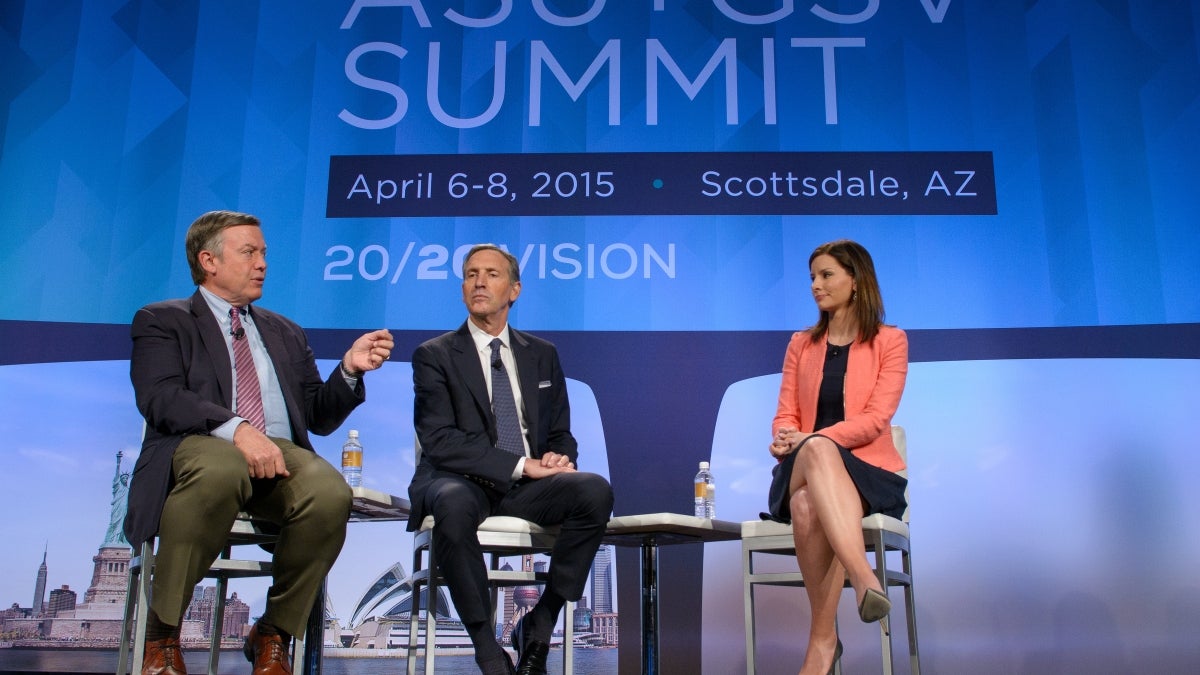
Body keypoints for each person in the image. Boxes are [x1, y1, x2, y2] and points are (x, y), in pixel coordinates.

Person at [126, 210, 394, 675]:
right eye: (248, 252)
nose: (262, 263)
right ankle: (162, 636)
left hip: (280, 456)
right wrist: (238, 429)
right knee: (221, 467)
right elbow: (161, 398)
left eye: (264, 253)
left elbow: (317, 416)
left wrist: (349, 371)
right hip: (198, 445)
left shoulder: (285, 331)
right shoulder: (162, 320)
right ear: (208, 260)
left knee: (331, 493)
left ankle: (273, 633)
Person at [409, 244, 613, 675]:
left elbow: (560, 432)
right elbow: (440, 441)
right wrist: (521, 465)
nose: (479, 282)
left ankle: (542, 621)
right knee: (452, 502)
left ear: (514, 290)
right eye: (470, 274)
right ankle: (487, 648)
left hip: (527, 488)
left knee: (593, 490)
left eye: (491, 274)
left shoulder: (542, 354)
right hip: (461, 480)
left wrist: (559, 457)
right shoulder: (435, 355)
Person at [765, 239, 908, 675]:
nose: (815, 285)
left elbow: (876, 419)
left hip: (869, 476)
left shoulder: (891, 341)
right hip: (800, 466)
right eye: (812, 276)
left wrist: (813, 438)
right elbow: (784, 414)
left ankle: (823, 642)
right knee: (815, 453)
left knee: (808, 503)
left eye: (826, 275)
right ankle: (863, 577)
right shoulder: (801, 344)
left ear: (856, 280)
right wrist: (786, 438)